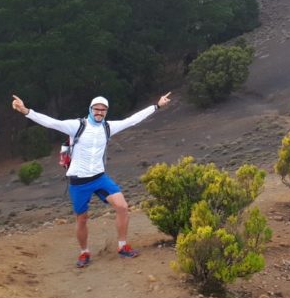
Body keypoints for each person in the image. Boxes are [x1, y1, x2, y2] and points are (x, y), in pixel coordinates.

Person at [11, 91, 171, 268]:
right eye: (96, 109)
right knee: (82, 218)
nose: (99, 112)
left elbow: (132, 120)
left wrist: (156, 106)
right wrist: (26, 111)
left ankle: (122, 246)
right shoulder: (77, 126)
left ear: (106, 112)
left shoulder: (108, 127)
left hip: (99, 177)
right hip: (78, 181)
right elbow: (51, 122)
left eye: (103, 110)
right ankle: (84, 252)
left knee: (123, 207)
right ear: (90, 109)